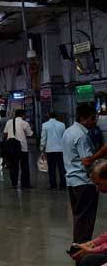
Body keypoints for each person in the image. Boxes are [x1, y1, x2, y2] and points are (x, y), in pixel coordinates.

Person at [63, 103, 99, 243]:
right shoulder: (81, 135)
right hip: (84, 183)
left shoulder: (69, 131)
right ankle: (81, 252)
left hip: (72, 181)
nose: (94, 121)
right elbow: (87, 161)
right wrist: (101, 153)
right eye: (92, 119)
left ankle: (78, 248)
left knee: (79, 217)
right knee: (85, 220)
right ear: (83, 118)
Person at [3, 109, 34, 188]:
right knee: (24, 166)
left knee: (13, 166)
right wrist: (31, 128)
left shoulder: (9, 122)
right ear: (22, 115)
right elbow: (30, 134)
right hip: (22, 148)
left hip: (11, 147)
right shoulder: (25, 123)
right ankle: (25, 184)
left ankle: (14, 183)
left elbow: (5, 133)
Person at [40, 111, 66, 190]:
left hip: (50, 150)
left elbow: (43, 138)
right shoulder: (62, 125)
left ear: (48, 116)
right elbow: (65, 137)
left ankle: (53, 185)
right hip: (61, 150)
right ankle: (63, 185)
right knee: (61, 168)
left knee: (51, 168)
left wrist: (41, 148)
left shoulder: (45, 125)